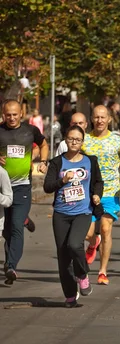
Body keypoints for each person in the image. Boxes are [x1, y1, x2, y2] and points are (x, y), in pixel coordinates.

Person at [43, 125, 103, 307]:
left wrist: (96, 194)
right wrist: (63, 180)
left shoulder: (90, 161)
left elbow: (98, 181)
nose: (74, 142)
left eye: (78, 139)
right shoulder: (57, 162)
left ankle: (82, 274)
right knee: (63, 256)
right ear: (65, 140)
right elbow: (47, 187)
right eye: (70, 139)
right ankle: (70, 295)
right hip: (61, 213)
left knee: (75, 244)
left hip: (82, 212)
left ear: (82, 142)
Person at [82, 105, 120, 285]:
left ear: (109, 119)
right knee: (87, 232)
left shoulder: (117, 140)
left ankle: (102, 271)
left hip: (110, 190)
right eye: (96, 117)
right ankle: (92, 244)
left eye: (103, 117)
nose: (99, 121)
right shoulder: (84, 140)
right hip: (87, 192)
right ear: (91, 118)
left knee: (105, 229)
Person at [0, 99, 49, 284]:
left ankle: (11, 266)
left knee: (16, 226)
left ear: (21, 113)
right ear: (3, 114)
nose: (11, 118)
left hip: (22, 186)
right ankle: (25, 219)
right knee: (7, 230)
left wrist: (43, 161)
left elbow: (43, 144)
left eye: (15, 114)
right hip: (2, 188)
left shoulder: (30, 131)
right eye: (8, 115)